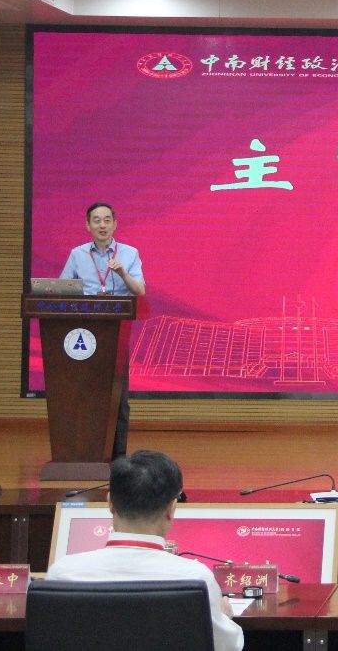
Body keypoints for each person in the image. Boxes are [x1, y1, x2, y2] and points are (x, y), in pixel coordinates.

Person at [47, 450, 243, 651]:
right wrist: (223, 618)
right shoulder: (195, 578)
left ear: (110, 503)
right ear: (171, 508)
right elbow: (228, 646)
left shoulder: (62, 574)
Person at [60, 202, 144, 458]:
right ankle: (82, 453)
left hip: (116, 332)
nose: (102, 225)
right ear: (88, 226)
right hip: (83, 331)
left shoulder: (129, 253)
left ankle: (118, 457)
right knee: (84, 394)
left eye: (107, 220)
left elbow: (139, 291)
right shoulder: (77, 254)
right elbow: (61, 291)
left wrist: (122, 273)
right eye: (96, 220)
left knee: (118, 398)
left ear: (115, 224)